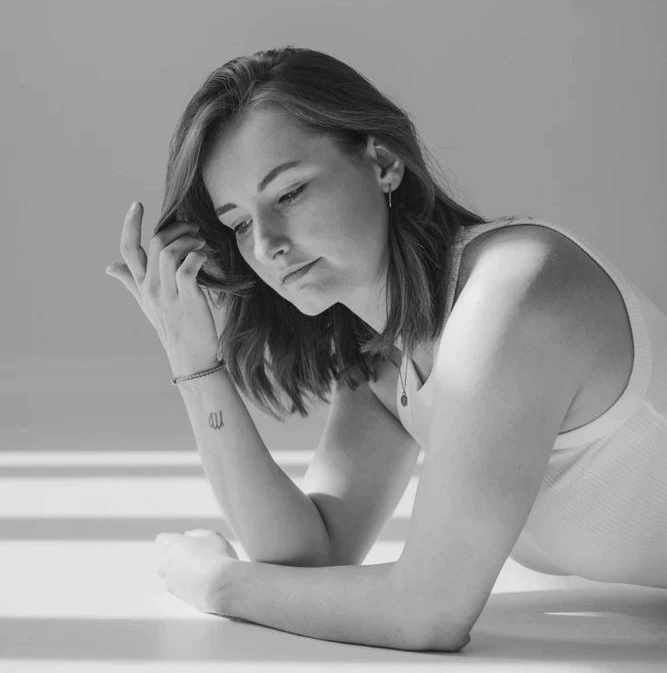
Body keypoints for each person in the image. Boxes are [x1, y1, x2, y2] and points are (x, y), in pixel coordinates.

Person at [107, 45, 667, 618]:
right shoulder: (389, 360)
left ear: (383, 162)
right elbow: (312, 557)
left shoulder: (513, 292)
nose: (267, 244)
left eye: (290, 193)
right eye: (240, 224)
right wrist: (192, 359)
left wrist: (218, 584)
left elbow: (429, 609)